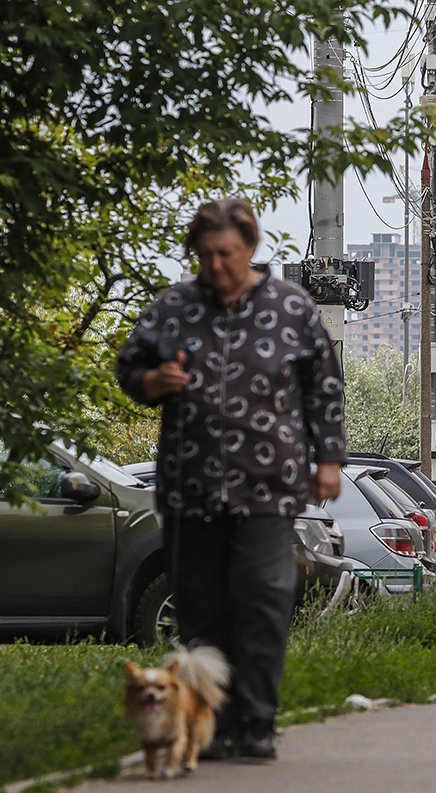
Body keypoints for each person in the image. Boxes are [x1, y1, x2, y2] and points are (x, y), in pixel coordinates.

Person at [116, 198, 346, 760]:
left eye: (227, 254)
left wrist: (329, 459)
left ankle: (258, 722)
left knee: (263, 597)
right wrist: (152, 381)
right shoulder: (174, 307)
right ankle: (210, 727)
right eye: (206, 255)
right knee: (199, 604)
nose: (215, 265)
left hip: (269, 482)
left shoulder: (291, 306)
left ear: (250, 246)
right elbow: (129, 366)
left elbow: (324, 387)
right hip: (189, 482)